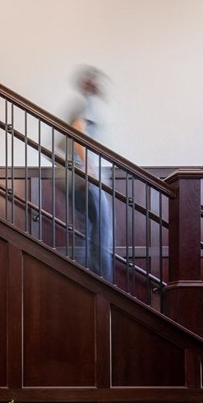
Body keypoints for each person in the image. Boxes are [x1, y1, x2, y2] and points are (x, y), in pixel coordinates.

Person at [63, 66, 114, 280]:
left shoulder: (81, 104)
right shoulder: (86, 104)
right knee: (102, 230)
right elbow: (77, 130)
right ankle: (101, 283)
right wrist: (89, 169)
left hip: (76, 177)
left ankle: (84, 279)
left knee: (91, 230)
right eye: (97, 81)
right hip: (84, 178)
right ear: (91, 84)